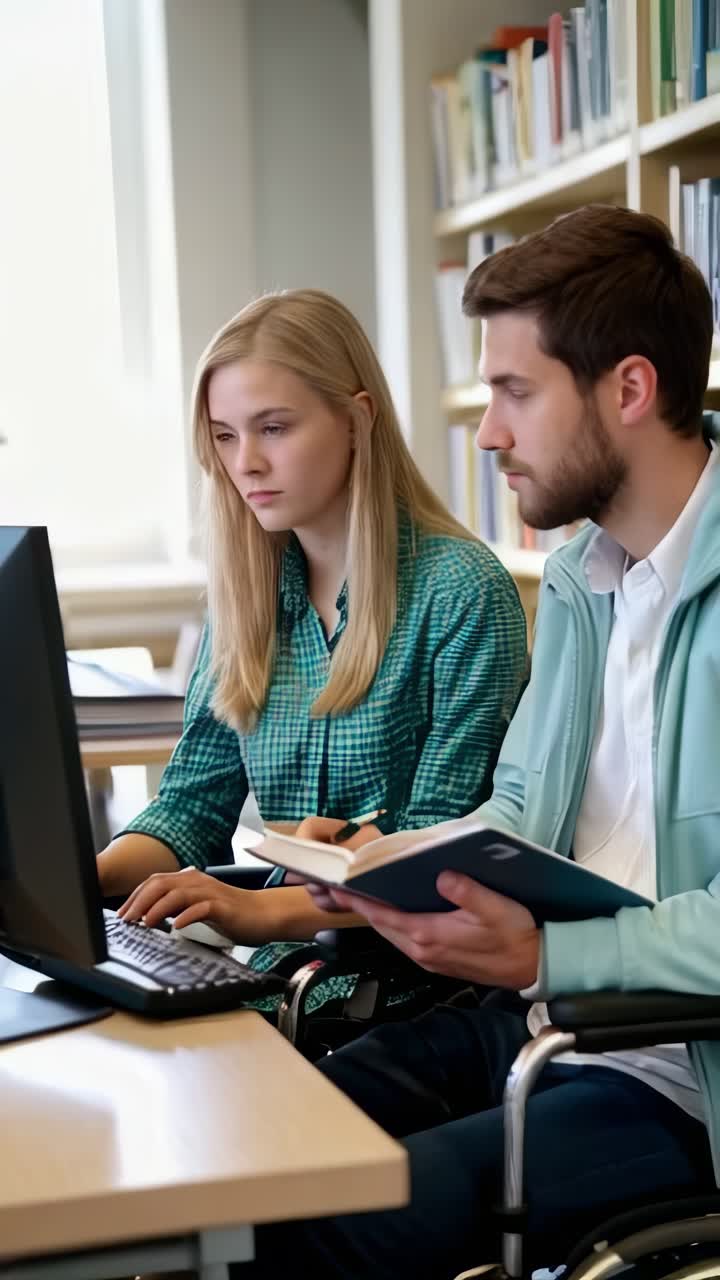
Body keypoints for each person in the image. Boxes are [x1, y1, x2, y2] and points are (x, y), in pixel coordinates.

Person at [238, 206, 720, 1278]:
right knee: (251, 1142)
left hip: (686, 1079)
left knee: (332, 1219)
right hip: (550, 1025)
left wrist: (553, 952)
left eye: (515, 391)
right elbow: (517, 817)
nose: (489, 431)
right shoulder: (579, 581)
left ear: (629, 389)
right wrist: (382, 864)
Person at [100, 289, 527, 991]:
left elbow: (437, 857)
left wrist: (259, 911)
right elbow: (189, 808)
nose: (246, 464)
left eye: (273, 428)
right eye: (225, 435)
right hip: (285, 985)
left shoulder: (461, 592)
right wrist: (75, 883)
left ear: (357, 420)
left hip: (414, 994)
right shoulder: (248, 596)